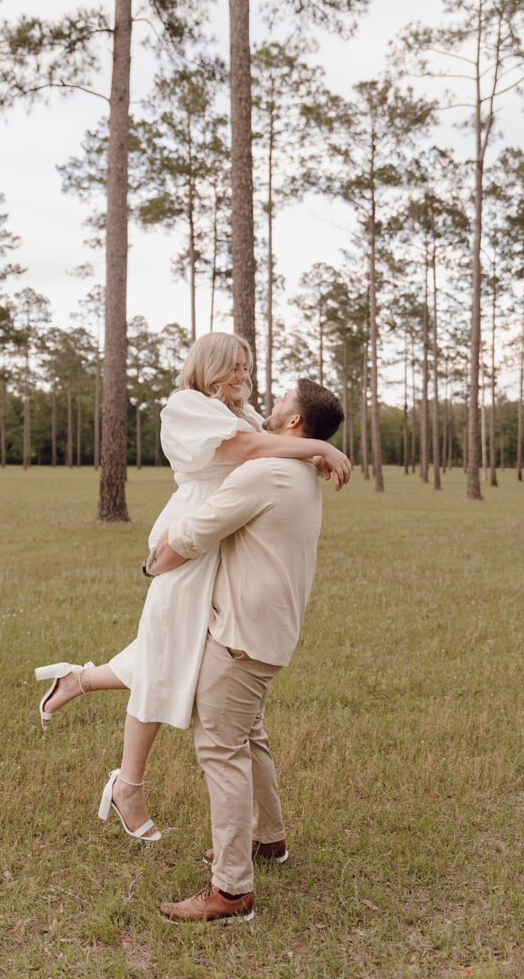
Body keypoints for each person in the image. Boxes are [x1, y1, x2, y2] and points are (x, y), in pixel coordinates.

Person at [35, 335, 351, 843]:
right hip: (193, 531)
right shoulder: (186, 407)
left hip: (226, 536)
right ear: (210, 366)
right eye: (236, 369)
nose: (244, 380)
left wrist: (306, 457)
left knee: (180, 653)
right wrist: (317, 445)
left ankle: (80, 680)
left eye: (247, 370)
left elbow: (267, 447)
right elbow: (249, 450)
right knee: (167, 652)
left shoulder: (241, 410)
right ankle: (128, 785)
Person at [143, 379, 344, 922]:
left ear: (295, 422)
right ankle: (269, 839)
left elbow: (193, 535)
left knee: (220, 749)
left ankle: (231, 891)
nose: (270, 404)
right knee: (250, 735)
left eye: (281, 401)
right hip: (270, 634)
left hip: (241, 637)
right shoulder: (299, 471)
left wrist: (153, 562)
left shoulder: (268, 472)